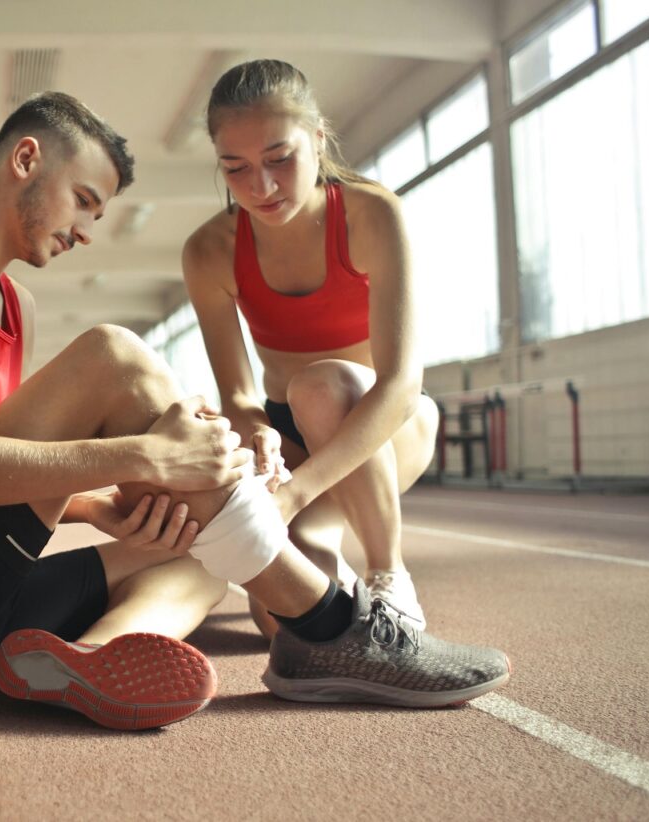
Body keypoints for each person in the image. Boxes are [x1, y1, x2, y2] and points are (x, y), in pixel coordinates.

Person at [0, 91, 508, 733]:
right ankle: (329, 624)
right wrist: (144, 459)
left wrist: (102, 507)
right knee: (112, 356)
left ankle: (91, 658)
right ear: (26, 159)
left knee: (197, 545)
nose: (87, 232)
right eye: (85, 201)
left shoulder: (17, 307)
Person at [183, 59, 439, 635]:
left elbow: (401, 386)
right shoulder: (209, 251)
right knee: (281, 622)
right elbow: (240, 393)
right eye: (235, 168)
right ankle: (326, 544)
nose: (261, 187)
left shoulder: (373, 215)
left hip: (387, 424)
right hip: (292, 436)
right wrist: (259, 433)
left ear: (318, 140)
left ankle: (387, 573)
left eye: (279, 159)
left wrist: (295, 494)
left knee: (322, 385)